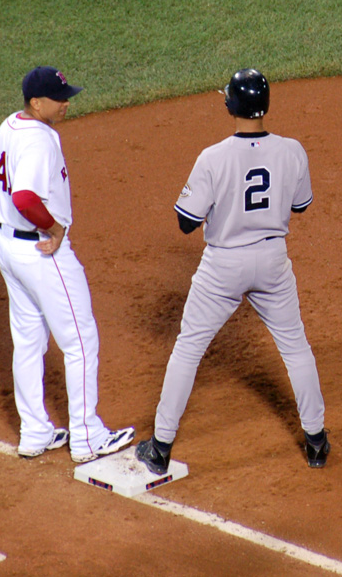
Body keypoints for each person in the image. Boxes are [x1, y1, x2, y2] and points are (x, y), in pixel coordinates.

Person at [135, 68, 329, 473]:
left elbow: (186, 221)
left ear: (230, 105)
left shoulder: (213, 157)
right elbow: (300, 206)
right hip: (273, 260)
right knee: (296, 347)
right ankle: (317, 442)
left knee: (188, 348)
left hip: (223, 265)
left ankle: (161, 446)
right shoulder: (292, 150)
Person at [0, 66, 133, 463]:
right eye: (60, 98)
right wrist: (54, 228)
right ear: (37, 102)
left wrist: (5, 190)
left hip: (7, 248)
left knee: (29, 339)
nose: (67, 104)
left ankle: (34, 433)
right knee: (81, 341)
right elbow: (25, 199)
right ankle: (87, 437)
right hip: (41, 251)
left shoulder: (12, 124)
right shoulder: (39, 142)